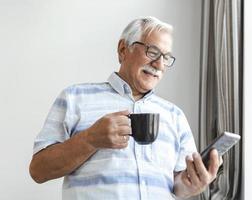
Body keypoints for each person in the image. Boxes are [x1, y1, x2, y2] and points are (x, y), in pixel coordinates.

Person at [29, 16, 220, 199]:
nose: (159, 64)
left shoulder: (175, 115)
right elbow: (38, 170)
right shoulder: (74, 98)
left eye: (166, 57)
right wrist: (89, 140)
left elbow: (177, 186)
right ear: (123, 49)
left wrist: (191, 185)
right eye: (152, 52)